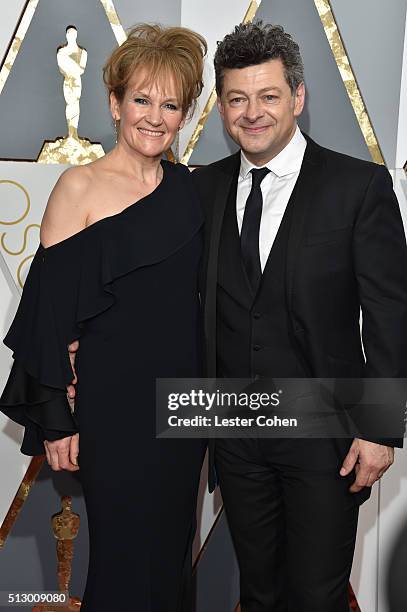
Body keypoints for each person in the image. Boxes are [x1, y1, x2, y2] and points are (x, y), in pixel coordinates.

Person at [190, 22, 407, 612]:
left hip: (327, 435)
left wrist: (380, 429)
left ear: (298, 98)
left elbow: (391, 312)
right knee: (258, 594)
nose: (252, 112)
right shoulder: (202, 189)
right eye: (237, 98)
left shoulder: (357, 187)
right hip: (236, 433)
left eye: (268, 96)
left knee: (315, 597)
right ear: (222, 107)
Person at [0, 24, 207, 612]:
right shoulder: (78, 186)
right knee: (120, 558)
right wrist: (58, 420)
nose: (154, 116)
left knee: (170, 557)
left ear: (186, 115)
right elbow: (47, 316)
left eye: (171, 104)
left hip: (183, 407)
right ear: (114, 103)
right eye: (141, 99)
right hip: (112, 407)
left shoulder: (193, 192)